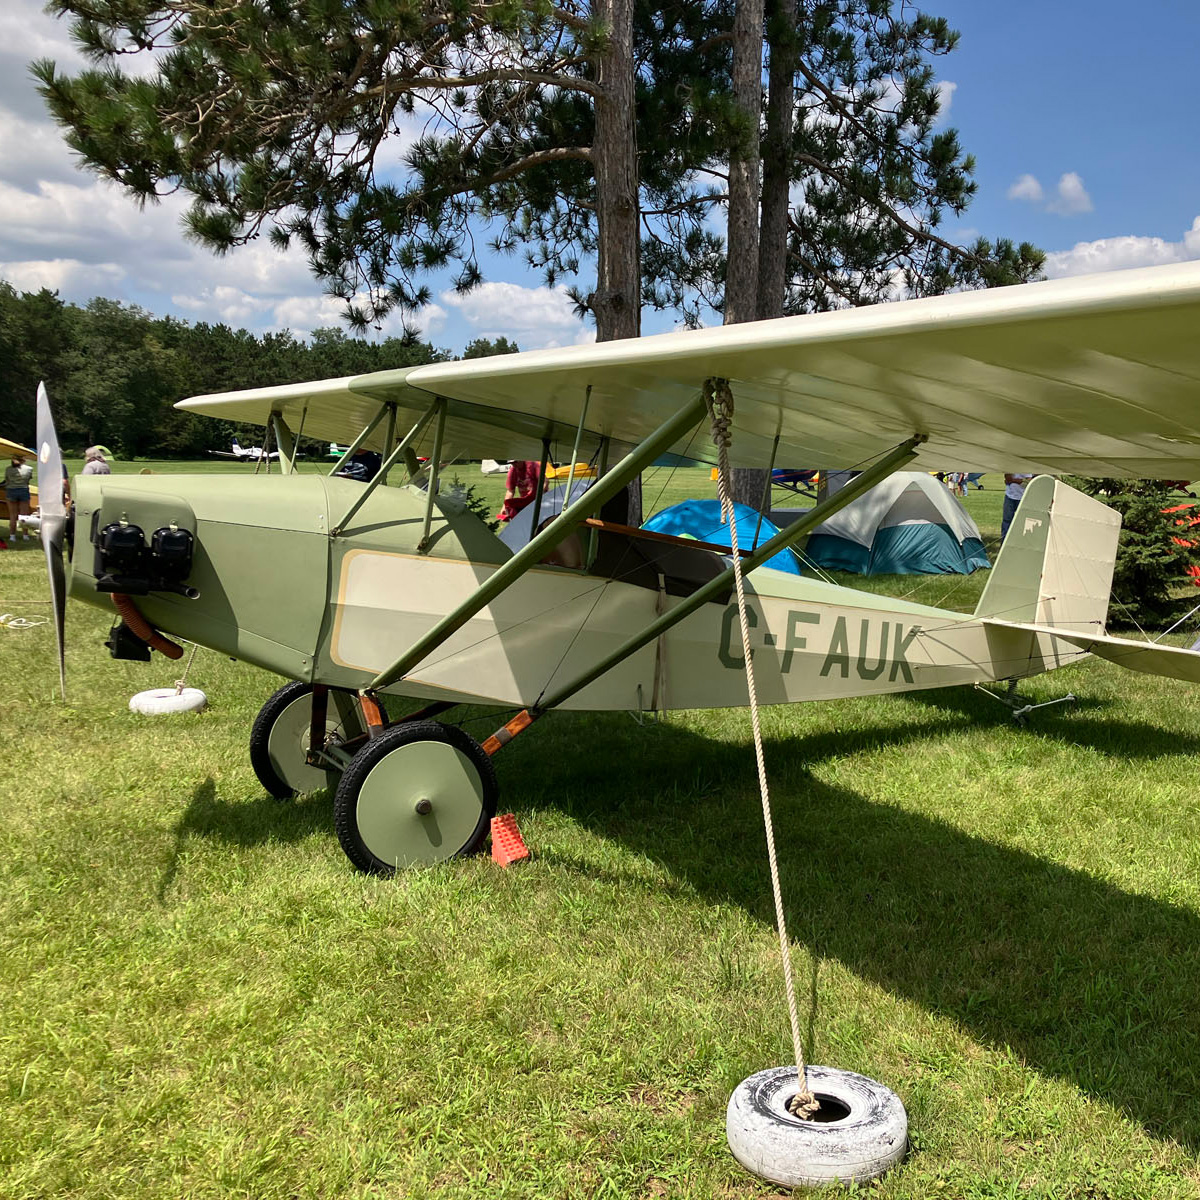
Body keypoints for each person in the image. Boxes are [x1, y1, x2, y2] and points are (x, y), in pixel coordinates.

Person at [4, 453, 33, 542]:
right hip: (23, 490)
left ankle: (12, 536)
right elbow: (28, 480)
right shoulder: (29, 469)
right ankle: (25, 535)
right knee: (24, 515)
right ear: (23, 459)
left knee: (13, 515)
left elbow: (7, 481)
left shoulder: (8, 469)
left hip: (11, 491)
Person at [1001, 472, 1034, 541]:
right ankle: (1004, 542)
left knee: (1023, 521)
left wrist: (1013, 480)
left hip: (1022, 497)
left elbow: (1028, 482)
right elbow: (1007, 478)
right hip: (1009, 495)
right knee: (1007, 520)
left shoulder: (1026, 467)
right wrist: (1018, 480)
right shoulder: (1011, 466)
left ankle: (1022, 541)